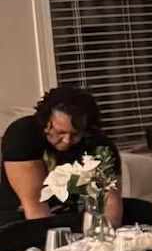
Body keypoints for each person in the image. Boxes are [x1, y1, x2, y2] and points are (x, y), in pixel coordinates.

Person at [0, 84, 123, 228]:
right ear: (45, 122)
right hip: (23, 218)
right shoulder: (23, 134)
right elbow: (35, 206)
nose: (67, 140)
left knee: (143, 210)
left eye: (75, 134)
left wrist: (103, 237)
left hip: (73, 213)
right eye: (60, 132)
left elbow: (109, 202)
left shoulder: (99, 145)